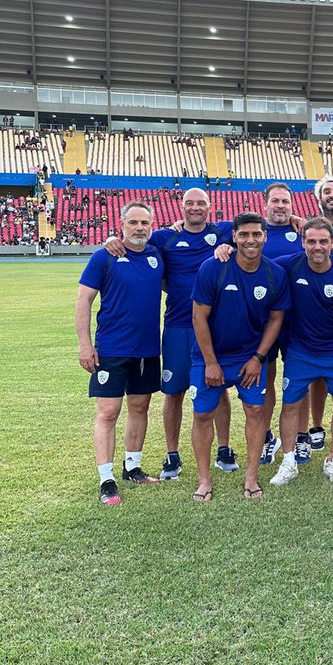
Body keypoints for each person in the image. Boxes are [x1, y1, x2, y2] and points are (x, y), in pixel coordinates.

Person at [102, 187, 239, 479]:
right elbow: (133, 241)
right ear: (181, 207)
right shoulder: (165, 237)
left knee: (220, 388)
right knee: (173, 392)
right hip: (178, 326)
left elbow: (259, 226)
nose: (195, 208)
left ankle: (224, 449)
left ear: (210, 206)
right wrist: (111, 239)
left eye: (201, 203)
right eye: (190, 203)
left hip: (214, 327)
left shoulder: (224, 233)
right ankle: (172, 455)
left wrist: (293, 218)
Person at [189, 213, 290, 501]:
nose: (250, 240)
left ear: (265, 237)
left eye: (256, 234)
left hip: (250, 358)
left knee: (256, 412)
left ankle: (251, 477)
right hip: (210, 357)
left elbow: (276, 318)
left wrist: (259, 358)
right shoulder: (213, 268)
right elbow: (199, 318)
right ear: (234, 236)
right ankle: (205, 479)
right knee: (202, 414)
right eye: (244, 234)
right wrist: (210, 362)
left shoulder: (274, 274)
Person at [207, 182, 304, 464]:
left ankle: (300, 437)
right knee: (268, 379)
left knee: (300, 378)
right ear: (265, 204)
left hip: (295, 318)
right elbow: (201, 230)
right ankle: (266, 437)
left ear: (291, 204)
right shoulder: (243, 229)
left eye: (285, 201)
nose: (281, 206)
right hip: (259, 322)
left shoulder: (301, 231)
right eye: (275, 201)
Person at [76, 201, 164, 506]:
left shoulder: (156, 254)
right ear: (122, 224)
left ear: (152, 226)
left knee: (140, 406)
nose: (139, 228)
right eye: (133, 222)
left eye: (145, 223)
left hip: (148, 349)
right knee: (108, 411)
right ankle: (107, 479)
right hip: (112, 349)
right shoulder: (105, 256)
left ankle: (132, 466)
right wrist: (85, 344)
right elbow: (84, 301)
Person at [269, 216, 333, 487]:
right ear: (303, 243)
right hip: (300, 351)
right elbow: (256, 265)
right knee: (290, 405)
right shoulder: (290, 265)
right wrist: (226, 249)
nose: (317, 247)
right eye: (311, 241)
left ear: (332, 243)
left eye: (323, 241)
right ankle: (289, 461)